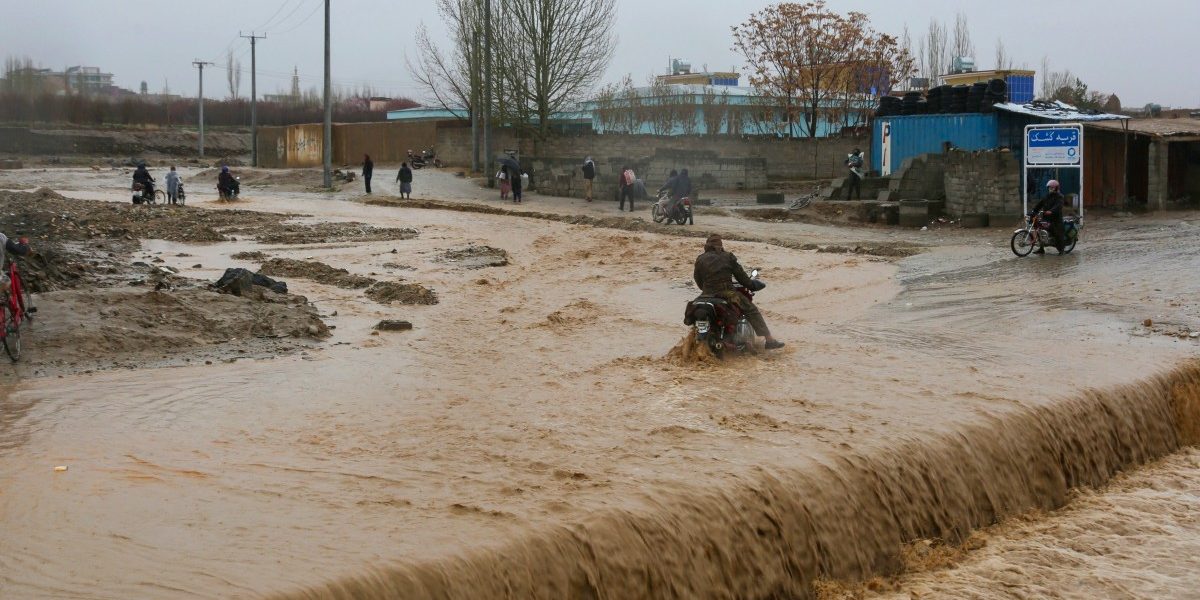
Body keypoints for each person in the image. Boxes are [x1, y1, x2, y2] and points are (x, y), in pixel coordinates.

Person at [693, 234, 784, 350]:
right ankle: (769, 340)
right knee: (752, 310)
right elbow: (742, 278)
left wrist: (706, 290)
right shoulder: (728, 257)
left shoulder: (700, 259)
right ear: (720, 246)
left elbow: (698, 279)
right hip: (727, 293)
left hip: (705, 295)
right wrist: (752, 285)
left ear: (707, 246)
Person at [1031, 179, 1066, 254]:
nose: (1050, 189)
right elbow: (1040, 204)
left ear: (1056, 188)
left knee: (1057, 232)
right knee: (1039, 230)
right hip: (1046, 218)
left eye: (1052, 188)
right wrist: (1033, 211)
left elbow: (1058, 206)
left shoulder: (1060, 197)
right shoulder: (1047, 196)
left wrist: (1051, 211)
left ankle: (1061, 250)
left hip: (1056, 219)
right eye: (1049, 188)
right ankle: (1041, 248)